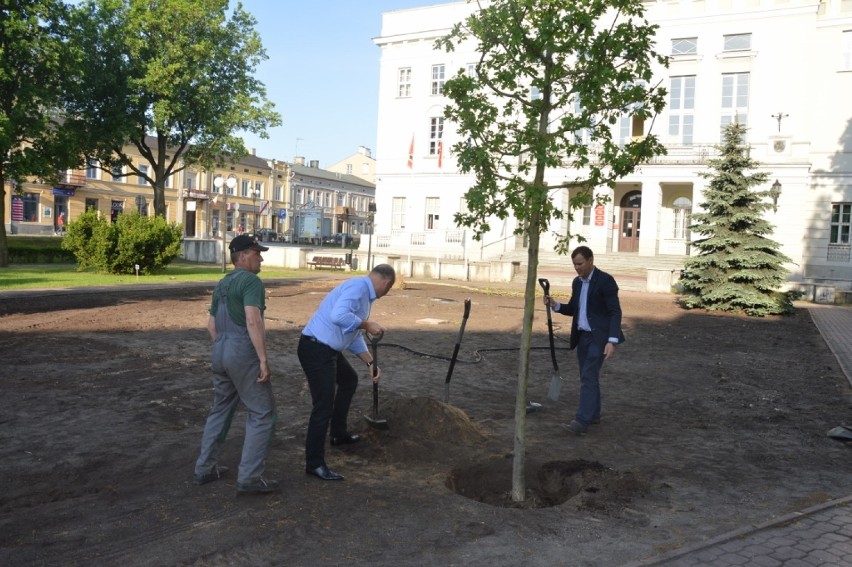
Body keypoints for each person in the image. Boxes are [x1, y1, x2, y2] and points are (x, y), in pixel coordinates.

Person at [193, 234, 279, 494]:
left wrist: (224, 349)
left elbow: (211, 325)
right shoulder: (251, 281)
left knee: (220, 409)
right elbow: (253, 320)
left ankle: (204, 468)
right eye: (256, 253)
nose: (261, 257)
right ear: (242, 256)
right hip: (241, 350)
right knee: (263, 414)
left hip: (219, 349)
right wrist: (262, 359)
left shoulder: (223, 283)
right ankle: (249, 478)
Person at [298, 264, 396, 481]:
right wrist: (366, 323)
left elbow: (351, 331)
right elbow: (338, 316)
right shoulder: (358, 287)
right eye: (388, 290)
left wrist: (370, 363)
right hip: (316, 349)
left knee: (349, 380)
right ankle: (314, 464)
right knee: (323, 405)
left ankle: (338, 434)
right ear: (387, 284)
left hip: (326, 349)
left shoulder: (363, 293)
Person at [543, 246, 625, 435]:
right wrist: (556, 305)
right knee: (588, 376)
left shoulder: (605, 281)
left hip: (599, 338)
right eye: (574, 265)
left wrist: (612, 340)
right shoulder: (577, 283)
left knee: (588, 375)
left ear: (590, 260)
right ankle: (594, 414)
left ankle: (581, 421)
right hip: (583, 338)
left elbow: (615, 311)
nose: (577, 268)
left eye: (580, 264)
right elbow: (573, 308)